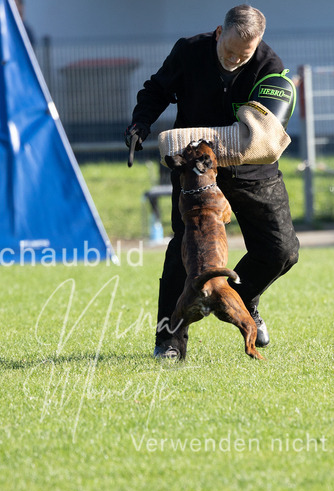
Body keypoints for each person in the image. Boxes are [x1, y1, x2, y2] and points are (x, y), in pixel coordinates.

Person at [124, 5, 299, 361]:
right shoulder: (189, 51)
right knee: (183, 253)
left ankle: (242, 300)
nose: (234, 60)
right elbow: (157, 89)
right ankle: (169, 343)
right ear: (219, 33)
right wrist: (141, 122)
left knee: (281, 251)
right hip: (196, 170)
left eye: (243, 55)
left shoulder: (269, 67)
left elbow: (264, 136)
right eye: (229, 52)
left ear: (258, 45)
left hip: (250, 171)